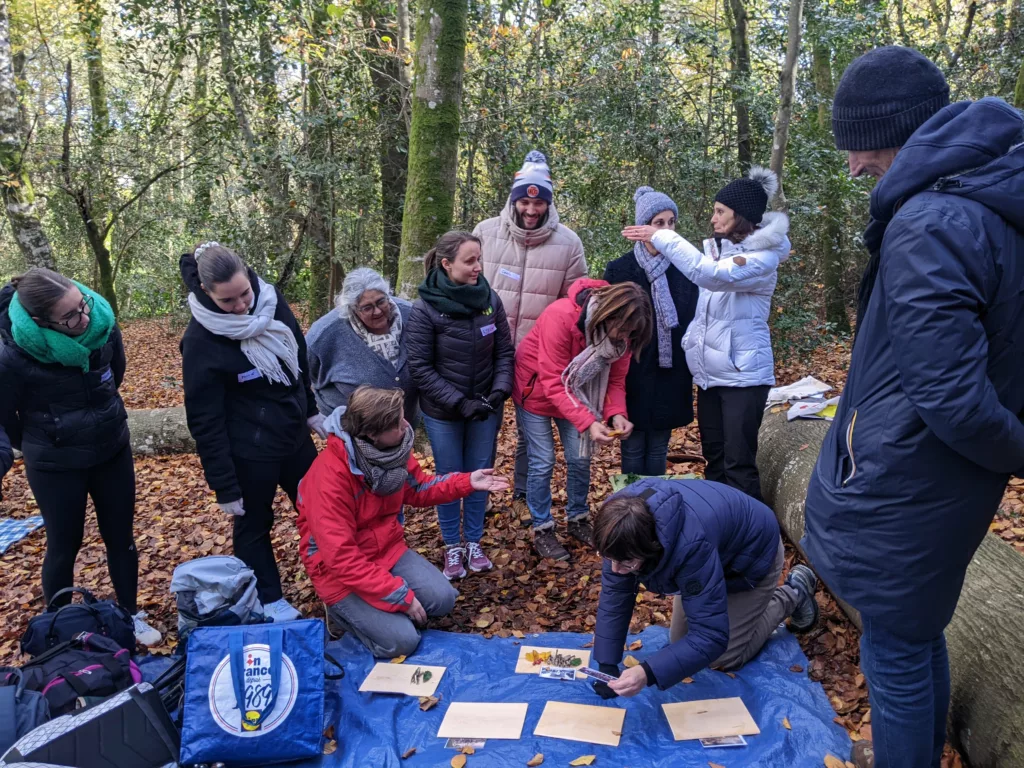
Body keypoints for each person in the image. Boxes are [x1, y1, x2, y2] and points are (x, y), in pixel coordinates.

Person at [802, 47, 1024, 768]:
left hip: (907, 483)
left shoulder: (931, 221)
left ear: (890, 131)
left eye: (857, 149)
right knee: (916, 632)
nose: (853, 166)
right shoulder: (985, 196)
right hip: (939, 481)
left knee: (894, 651)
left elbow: (951, 396)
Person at [0, 268, 161, 645]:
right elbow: (7, 419)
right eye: (71, 316)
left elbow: (114, 375)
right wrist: (50, 438)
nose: (84, 318)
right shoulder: (12, 355)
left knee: (120, 538)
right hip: (54, 463)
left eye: (82, 304)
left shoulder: (102, 325)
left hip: (111, 448)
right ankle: (56, 627)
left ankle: (130, 614)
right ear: (42, 323)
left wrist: (101, 420)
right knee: (63, 543)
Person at [295, 386, 509, 658]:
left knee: (443, 599)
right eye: (397, 423)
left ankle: (377, 612)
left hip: (386, 550)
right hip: (338, 572)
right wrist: (399, 597)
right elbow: (341, 558)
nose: (406, 425)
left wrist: (466, 482)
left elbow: (418, 488)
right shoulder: (329, 478)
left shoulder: (392, 449)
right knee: (402, 642)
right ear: (372, 433)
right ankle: (341, 615)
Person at [623, 167, 790, 502]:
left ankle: (752, 538)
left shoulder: (762, 258)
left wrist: (661, 236)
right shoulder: (721, 251)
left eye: (720, 212)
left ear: (739, 216)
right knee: (715, 461)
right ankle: (722, 527)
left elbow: (710, 276)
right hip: (713, 377)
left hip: (743, 378)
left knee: (738, 464)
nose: (713, 218)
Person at [180, 242, 323, 623]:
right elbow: (204, 418)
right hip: (249, 450)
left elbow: (298, 359)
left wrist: (310, 411)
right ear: (206, 294)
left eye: (245, 293)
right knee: (254, 524)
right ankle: (269, 597)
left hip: (294, 436)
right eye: (228, 302)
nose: (242, 306)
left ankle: (339, 579)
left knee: (322, 509)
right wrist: (224, 485)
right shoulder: (200, 340)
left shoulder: (273, 302)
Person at [589, 478, 818, 698]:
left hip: (751, 557)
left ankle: (793, 593)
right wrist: (607, 664)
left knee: (722, 657)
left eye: (627, 562)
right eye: (609, 559)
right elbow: (615, 596)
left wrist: (646, 673)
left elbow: (711, 636)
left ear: (651, 547)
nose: (616, 569)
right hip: (712, 555)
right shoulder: (618, 524)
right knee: (680, 643)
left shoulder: (690, 546)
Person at [474, 150, 587, 518]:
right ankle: (478, 495)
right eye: (524, 200)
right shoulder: (485, 233)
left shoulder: (568, 243)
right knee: (483, 428)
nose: (531, 209)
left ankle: (522, 494)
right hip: (486, 351)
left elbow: (575, 304)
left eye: (538, 202)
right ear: (514, 199)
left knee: (530, 434)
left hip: (538, 358)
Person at [512, 278, 652, 561]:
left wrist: (617, 414)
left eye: (631, 332)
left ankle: (578, 518)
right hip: (534, 393)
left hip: (579, 396)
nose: (624, 336)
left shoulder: (621, 341)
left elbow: (615, 380)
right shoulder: (561, 316)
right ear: (607, 314)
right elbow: (552, 380)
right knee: (543, 460)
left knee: (580, 458)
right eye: (622, 328)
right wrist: (589, 421)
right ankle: (543, 528)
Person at [406, 232, 515, 579]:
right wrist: (458, 402)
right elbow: (420, 367)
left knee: (481, 474)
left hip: (485, 407)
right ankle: (452, 545)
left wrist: (499, 392)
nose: (477, 267)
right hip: (443, 413)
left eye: (478, 259)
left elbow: (504, 353)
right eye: (470, 261)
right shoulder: (426, 308)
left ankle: (474, 542)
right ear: (446, 264)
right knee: (450, 477)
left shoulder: (490, 300)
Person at [604, 186, 698, 476]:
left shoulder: (687, 267)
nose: (667, 230)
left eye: (672, 223)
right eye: (659, 223)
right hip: (632, 369)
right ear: (642, 227)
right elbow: (609, 323)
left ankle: (654, 508)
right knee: (631, 444)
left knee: (659, 446)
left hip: (672, 371)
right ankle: (632, 511)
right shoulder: (620, 270)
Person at [306, 267, 418, 423]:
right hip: (349, 429)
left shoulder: (412, 316)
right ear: (352, 308)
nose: (377, 311)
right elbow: (304, 374)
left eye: (381, 301)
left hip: (403, 427)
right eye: (367, 307)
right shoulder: (324, 334)